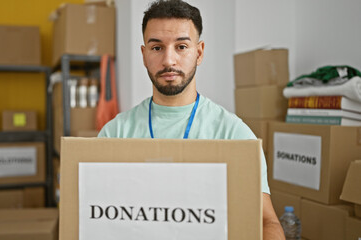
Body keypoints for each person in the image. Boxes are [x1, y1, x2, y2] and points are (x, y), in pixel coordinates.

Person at [98, 0, 285, 238]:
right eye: (157, 48)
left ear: (199, 52)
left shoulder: (234, 134)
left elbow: (267, 222)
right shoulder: (114, 135)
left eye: (181, 47)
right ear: (144, 55)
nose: (168, 60)